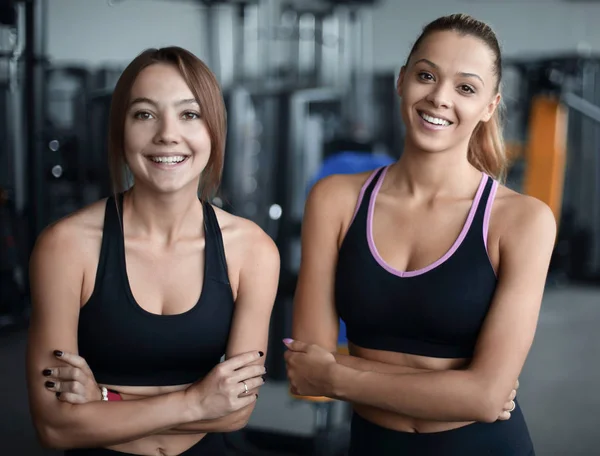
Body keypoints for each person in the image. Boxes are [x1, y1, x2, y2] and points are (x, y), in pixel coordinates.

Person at [284, 13, 555, 455]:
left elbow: (486, 399)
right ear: (401, 81)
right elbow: (305, 371)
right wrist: (457, 387)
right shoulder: (335, 200)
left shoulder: (523, 220)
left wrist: (337, 374)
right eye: (426, 75)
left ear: (489, 106)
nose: (439, 97)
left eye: (465, 87)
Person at [26, 46, 280, 455]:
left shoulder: (252, 250)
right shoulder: (66, 247)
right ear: (119, 131)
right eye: (144, 114)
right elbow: (55, 427)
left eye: (190, 114)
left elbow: (235, 412)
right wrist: (197, 401)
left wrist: (105, 404)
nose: (167, 133)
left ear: (213, 129)